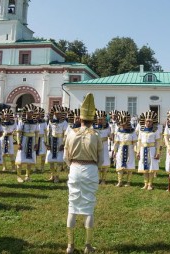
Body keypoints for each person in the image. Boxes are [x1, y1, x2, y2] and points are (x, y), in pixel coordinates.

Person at [64, 93, 104, 254]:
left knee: (72, 206)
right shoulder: (95, 135)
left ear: (79, 118)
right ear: (92, 119)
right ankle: (88, 245)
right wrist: (93, 166)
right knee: (88, 207)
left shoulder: (71, 133)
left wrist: (73, 165)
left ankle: (70, 245)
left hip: (74, 168)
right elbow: (101, 159)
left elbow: (66, 156)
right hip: (90, 169)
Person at [137, 111, 161, 190]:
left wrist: (157, 152)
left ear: (153, 121)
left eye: (150, 121)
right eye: (147, 121)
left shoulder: (155, 130)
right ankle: (145, 183)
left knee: (151, 168)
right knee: (145, 168)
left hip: (152, 150)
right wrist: (138, 152)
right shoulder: (141, 129)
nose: (148, 122)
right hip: (143, 149)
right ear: (144, 121)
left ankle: (150, 184)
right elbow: (139, 141)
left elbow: (158, 142)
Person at [15, 104, 39, 183]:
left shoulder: (35, 122)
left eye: (32, 112)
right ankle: (19, 176)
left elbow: (36, 133)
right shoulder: (22, 121)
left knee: (30, 160)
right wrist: (19, 143)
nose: (30, 114)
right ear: (26, 112)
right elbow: (18, 132)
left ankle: (27, 176)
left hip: (32, 141)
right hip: (24, 140)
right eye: (29, 112)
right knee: (20, 159)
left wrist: (36, 143)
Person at [113, 111, 137, 187]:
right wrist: (115, 151)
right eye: (122, 125)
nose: (123, 126)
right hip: (120, 150)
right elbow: (116, 143)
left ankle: (128, 182)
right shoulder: (119, 132)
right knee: (120, 165)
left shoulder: (132, 132)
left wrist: (137, 151)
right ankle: (120, 181)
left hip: (130, 150)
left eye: (125, 125)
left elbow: (135, 143)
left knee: (130, 165)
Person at [46, 106, 68, 183]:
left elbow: (66, 134)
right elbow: (48, 132)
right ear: (54, 113)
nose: (58, 115)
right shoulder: (51, 121)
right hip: (52, 141)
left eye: (60, 113)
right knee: (51, 160)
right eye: (57, 113)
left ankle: (57, 176)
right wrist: (47, 143)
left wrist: (64, 144)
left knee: (59, 161)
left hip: (60, 142)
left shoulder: (64, 122)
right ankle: (52, 175)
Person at [93, 109, 111, 185]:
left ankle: (103, 179)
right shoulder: (93, 128)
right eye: (99, 119)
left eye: (102, 119)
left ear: (104, 119)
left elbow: (111, 136)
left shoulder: (108, 127)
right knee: (97, 163)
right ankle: (98, 178)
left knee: (105, 163)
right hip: (96, 147)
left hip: (104, 147)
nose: (100, 121)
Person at [35, 107, 48, 172]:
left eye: (39, 114)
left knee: (43, 153)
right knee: (34, 153)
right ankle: (34, 167)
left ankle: (42, 167)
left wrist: (46, 140)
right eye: (37, 114)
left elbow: (46, 132)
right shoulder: (33, 121)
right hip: (35, 139)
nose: (38, 115)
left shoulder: (44, 122)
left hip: (42, 139)